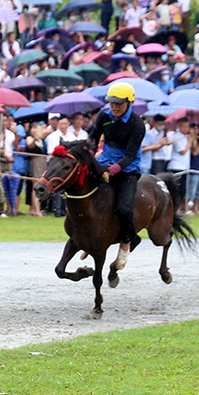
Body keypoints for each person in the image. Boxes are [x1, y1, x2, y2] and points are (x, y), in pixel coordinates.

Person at [89, 82, 146, 270]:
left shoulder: (137, 124)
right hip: (104, 161)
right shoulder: (103, 116)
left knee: (124, 209)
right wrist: (87, 156)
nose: (114, 106)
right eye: (112, 102)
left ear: (130, 103)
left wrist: (112, 170)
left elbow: (130, 155)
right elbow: (93, 139)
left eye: (119, 103)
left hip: (128, 169)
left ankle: (127, 243)